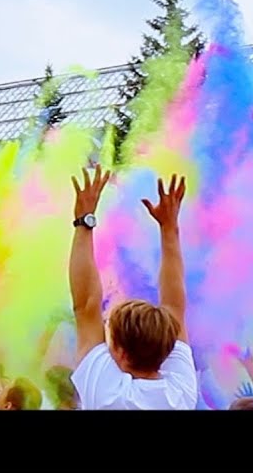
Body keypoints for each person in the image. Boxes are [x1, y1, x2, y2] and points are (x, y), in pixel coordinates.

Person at [67, 166, 198, 410]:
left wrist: (84, 219)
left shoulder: (106, 396)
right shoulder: (181, 394)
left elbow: (86, 305)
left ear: (122, 353)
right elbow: (174, 305)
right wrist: (169, 229)